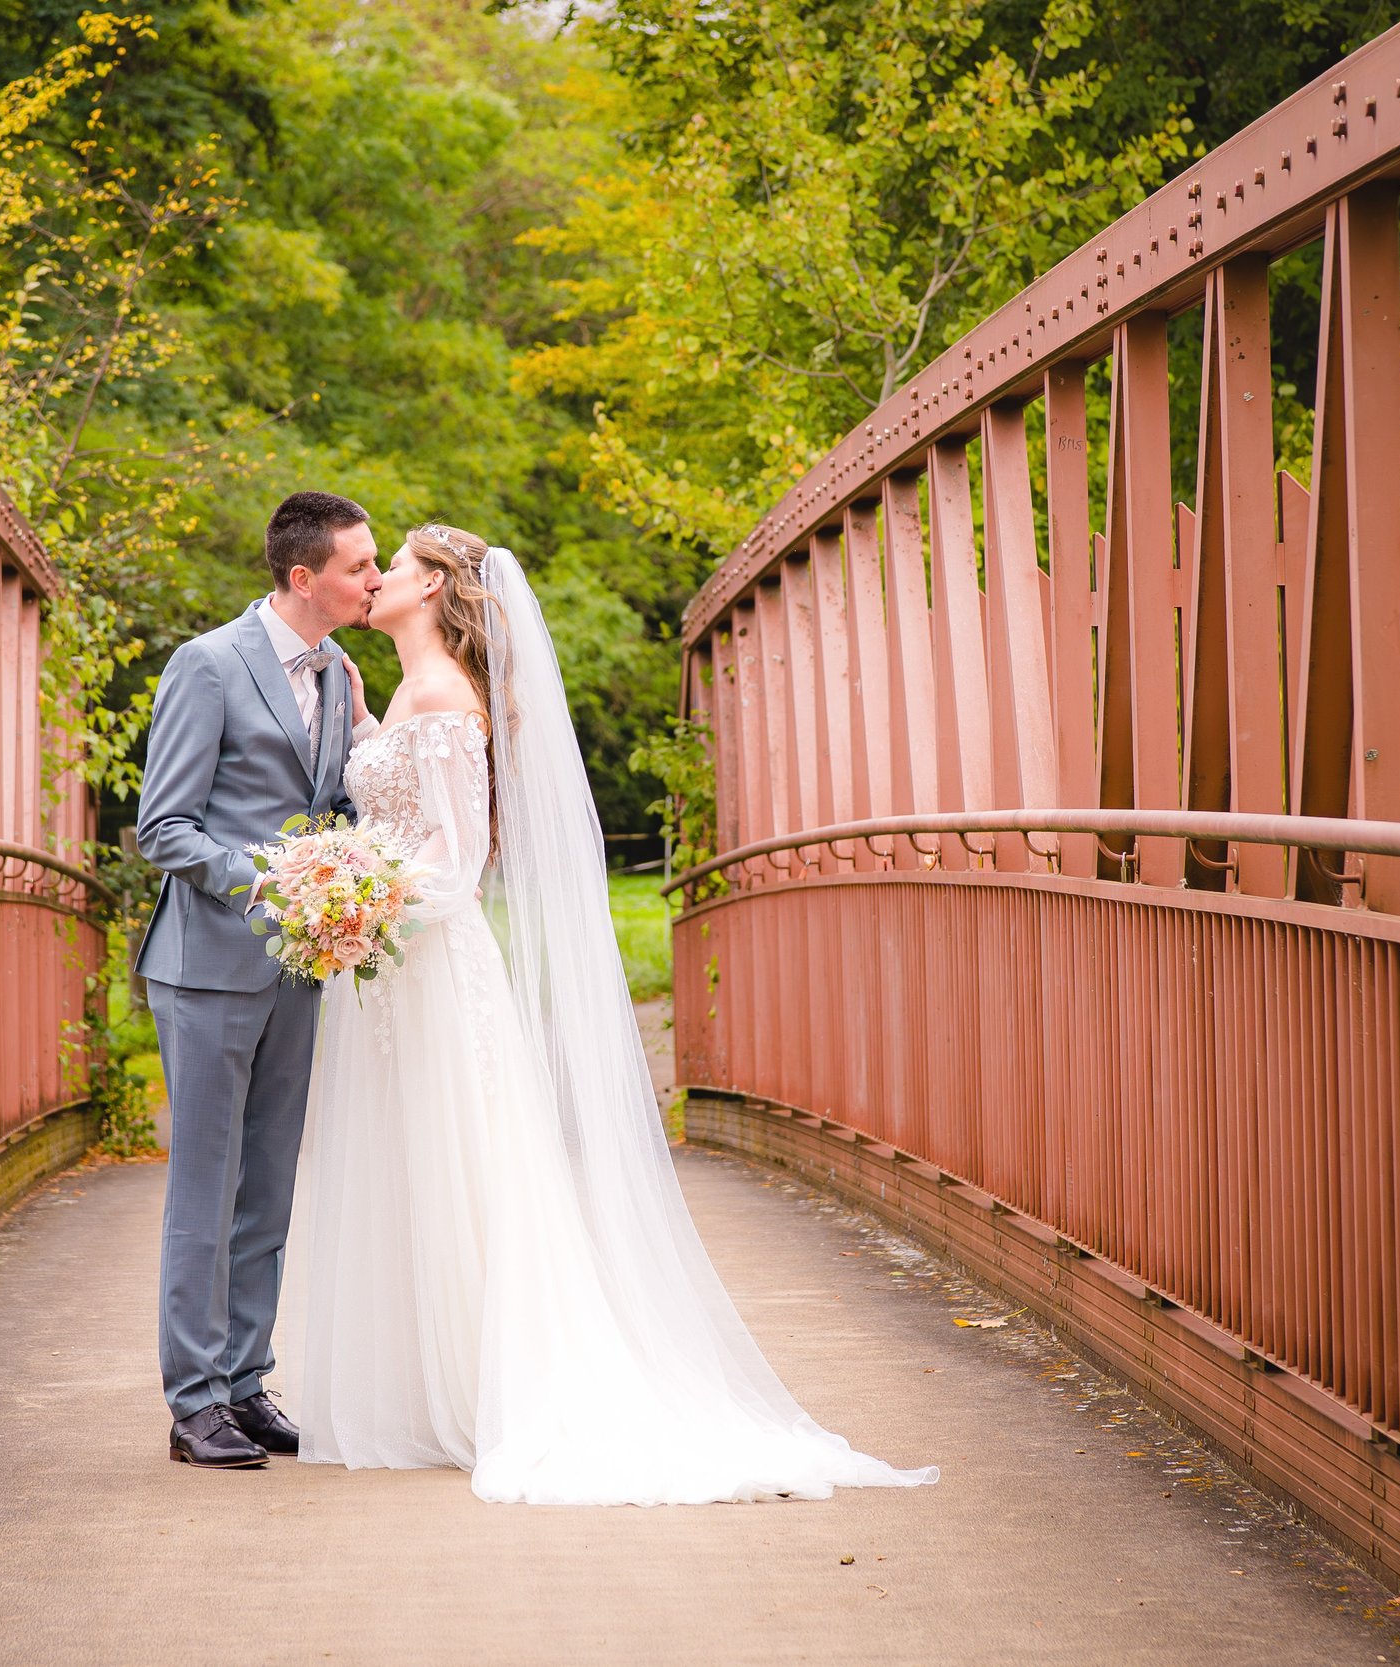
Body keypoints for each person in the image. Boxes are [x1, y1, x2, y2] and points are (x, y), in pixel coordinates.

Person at [289, 522, 940, 1504]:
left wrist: (350, 899)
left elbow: (456, 865)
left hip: (424, 962)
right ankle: (423, 1385)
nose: (375, 579)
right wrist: (341, 893)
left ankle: (473, 1387)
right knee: (405, 1162)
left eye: (396, 568)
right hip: (384, 965)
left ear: (432, 591)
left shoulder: (439, 697)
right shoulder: (393, 693)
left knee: (454, 1156)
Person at [133, 490, 382, 1468]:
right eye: (360, 566)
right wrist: (277, 880)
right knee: (206, 1184)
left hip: (298, 966)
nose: (374, 578)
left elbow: (330, 808)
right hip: (206, 968)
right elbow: (166, 827)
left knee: (268, 1183)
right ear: (301, 577)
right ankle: (192, 1401)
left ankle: (243, 1379)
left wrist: (353, 876)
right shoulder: (207, 664)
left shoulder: (342, 667)